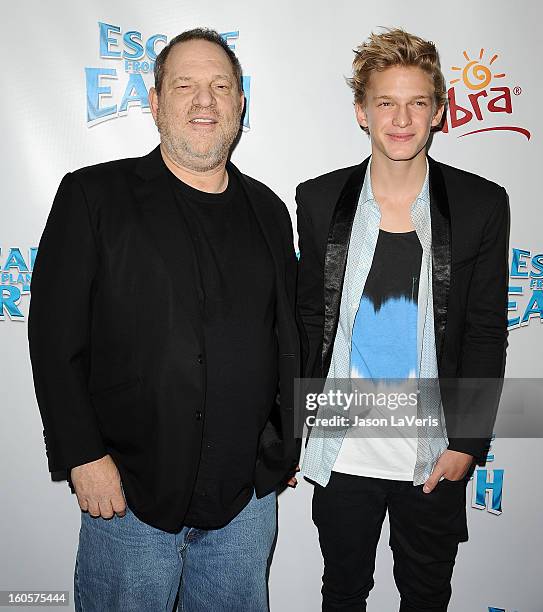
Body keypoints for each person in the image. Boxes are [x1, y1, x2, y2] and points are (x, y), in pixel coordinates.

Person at [29, 28, 299, 612]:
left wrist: (285, 444)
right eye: (185, 86)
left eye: (220, 87)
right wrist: (82, 455)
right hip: (129, 498)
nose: (205, 101)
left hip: (243, 509)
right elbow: (54, 341)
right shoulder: (93, 196)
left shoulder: (270, 210)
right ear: (155, 103)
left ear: (240, 104)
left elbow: (285, 338)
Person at [296, 28, 509, 611]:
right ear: (361, 112)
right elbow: (308, 321)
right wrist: (287, 431)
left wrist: (468, 442)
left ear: (439, 111)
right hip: (343, 448)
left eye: (417, 102)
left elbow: (486, 330)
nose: (401, 118)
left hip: (434, 449)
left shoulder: (481, 205)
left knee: (426, 594)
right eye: (385, 102)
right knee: (342, 592)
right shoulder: (318, 201)